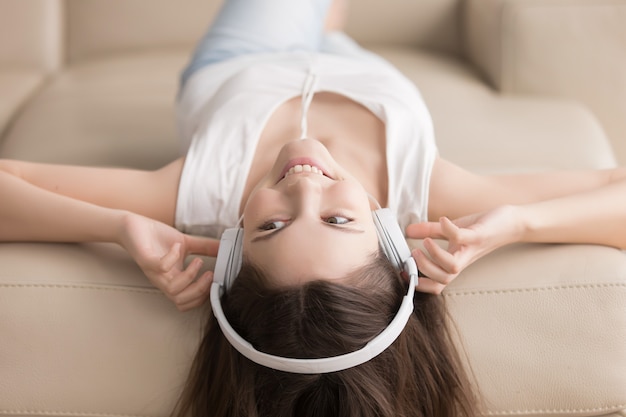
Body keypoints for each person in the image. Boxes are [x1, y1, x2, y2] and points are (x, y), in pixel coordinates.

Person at [1, 0, 625, 416]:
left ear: (234, 246)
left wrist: (115, 225)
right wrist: (517, 223)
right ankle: (328, 25)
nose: (304, 184)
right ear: (389, 237)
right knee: (326, 21)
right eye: (337, 219)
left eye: (271, 225)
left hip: (249, 62)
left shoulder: (202, 189)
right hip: (367, 77)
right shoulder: (422, 192)